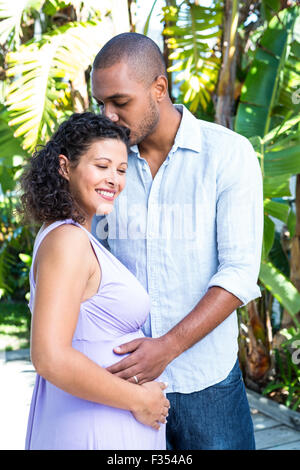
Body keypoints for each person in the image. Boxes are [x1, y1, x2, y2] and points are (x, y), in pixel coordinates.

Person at [91, 32, 264, 450]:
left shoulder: (227, 155)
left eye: (120, 102)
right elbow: (91, 260)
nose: (108, 116)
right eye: (101, 104)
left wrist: (166, 348)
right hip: (124, 383)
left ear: (159, 88)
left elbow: (239, 274)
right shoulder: (102, 164)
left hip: (208, 386)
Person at [21, 112, 169, 450]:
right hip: (91, 427)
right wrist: (138, 400)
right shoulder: (67, 240)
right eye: (101, 166)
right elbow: (49, 356)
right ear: (64, 167)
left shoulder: (74, 237)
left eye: (120, 170)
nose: (113, 180)